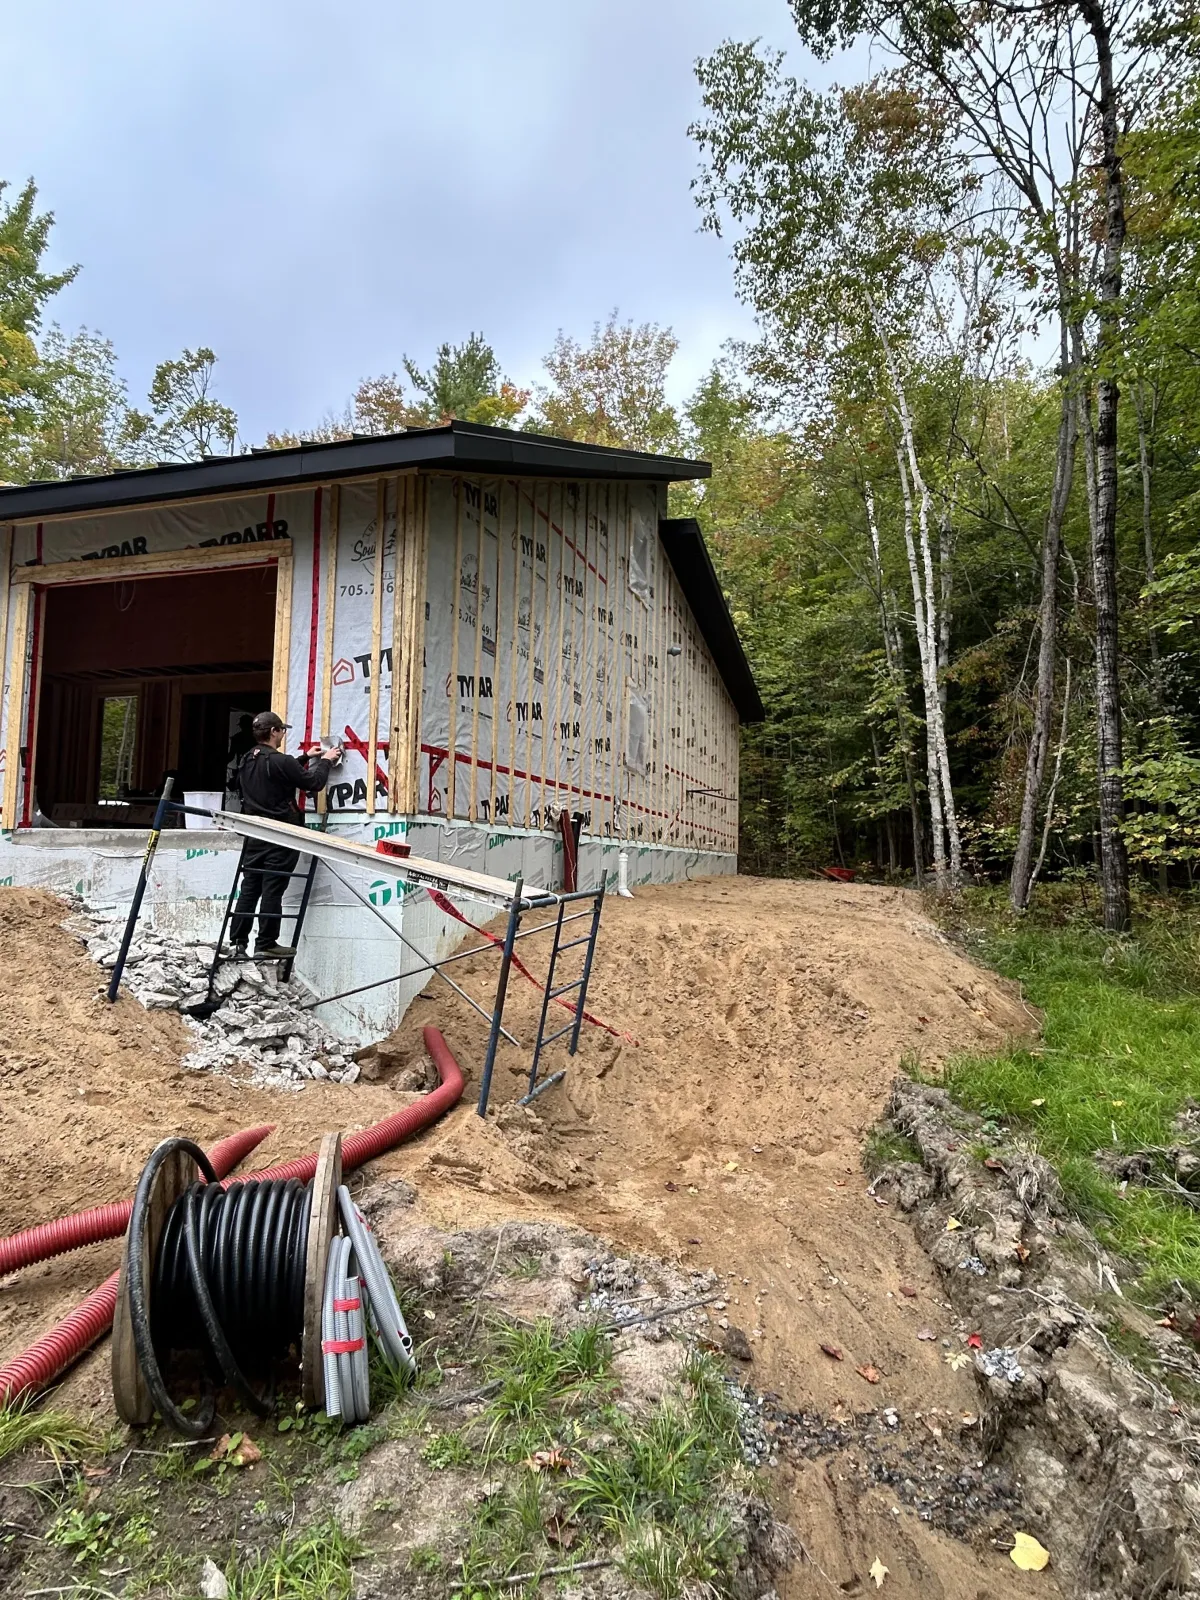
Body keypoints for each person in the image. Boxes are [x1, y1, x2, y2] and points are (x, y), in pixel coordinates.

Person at [225, 712, 339, 960]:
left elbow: (273, 773)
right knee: (272, 889)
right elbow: (314, 783)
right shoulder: (281, 760)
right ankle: (266, 943)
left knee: (250, 889)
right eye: (282, 731)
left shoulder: (247, 759)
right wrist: (326, 761)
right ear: (274, 732)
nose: (283, 735)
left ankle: (237, 943)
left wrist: (305, 757)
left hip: (254, 834)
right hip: (281, 833)